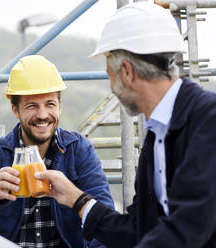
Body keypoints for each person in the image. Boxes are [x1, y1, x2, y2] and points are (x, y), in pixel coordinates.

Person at [35, 2, 216, 248]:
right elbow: (138, 230)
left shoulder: (208, 121)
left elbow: (188, 228)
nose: (112, 87)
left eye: (110, 75)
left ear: (127, 72)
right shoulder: (159, 133)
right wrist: (77, 200)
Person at [0, 55, 114, 248]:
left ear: (60, 106)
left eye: (50, 104)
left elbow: (102, 213)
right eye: (32, 106)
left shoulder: (78, 149)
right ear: (15, 110)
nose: (42, 115)